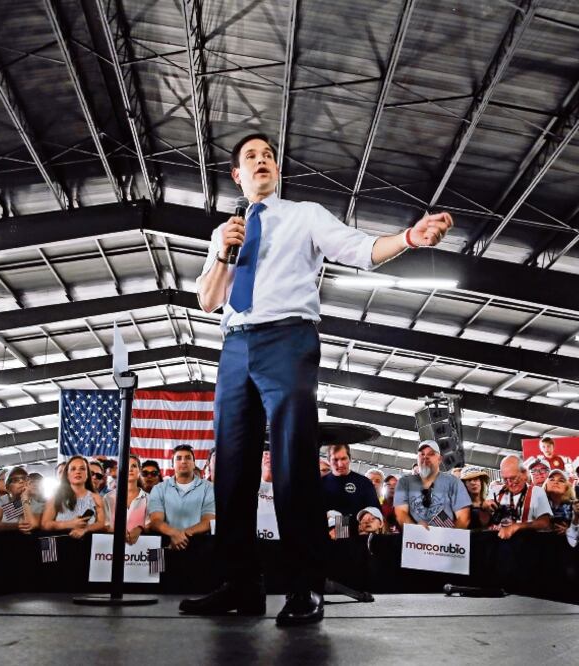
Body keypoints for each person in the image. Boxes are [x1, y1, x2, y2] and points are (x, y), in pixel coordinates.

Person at [180, 132, 453, 625]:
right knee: (234, 465)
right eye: (250, 158)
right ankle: (238, 583)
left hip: (287, 338)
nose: (261, 161)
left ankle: (304, 587)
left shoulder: (304, 214)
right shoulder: (227, 232)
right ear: (237, 177)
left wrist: (410, 237)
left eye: (268, 156)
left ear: (276, 171)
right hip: (235, 343)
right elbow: (207, 300)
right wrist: (223, 252)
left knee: (291, 462)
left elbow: (361, 249)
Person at [149, 445, 215, 550]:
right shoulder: (158, 489)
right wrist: (173, 533)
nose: (183, 461)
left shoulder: (209, 488)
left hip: (200, 548)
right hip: (168, 546)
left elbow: (208, 521)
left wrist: (180, 535)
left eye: (188, 458)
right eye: (178, 458)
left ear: (194, 464)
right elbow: (156, 521)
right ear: (172, 465)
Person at [395, 441, 471, 528]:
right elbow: (400, 513)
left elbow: (464, 516)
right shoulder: (404, 483)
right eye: (422, 454)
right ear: (417, 458)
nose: (425, 457)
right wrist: (415, 529)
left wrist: (449, 536)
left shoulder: (453, 483)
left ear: (439, 459)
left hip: (446, 538)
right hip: (414, 539)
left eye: (431, 454)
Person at [41, 455, 106, 539]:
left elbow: (101, 523)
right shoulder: (55, 497)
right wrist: (69, 524)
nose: (78, 472)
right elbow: (45, 524)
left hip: (87, 545)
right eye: (73, 469)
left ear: (87, 474)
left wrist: (86, 529)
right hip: (61, 545)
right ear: (67, 474)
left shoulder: (96, 497)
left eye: (82, 468)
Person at [491, 455, 552, 539]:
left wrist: (517, 526)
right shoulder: (497, 492)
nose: (509, 483)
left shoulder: (538, 492)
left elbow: (545, 522)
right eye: (505, 479)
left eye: (513, 478)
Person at [320, 444, 381, 523]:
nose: (340, 464)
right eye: (335, 459)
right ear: (328, 461)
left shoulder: (364, 483)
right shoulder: (320, 483)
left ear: (350, 458)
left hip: (357, 532)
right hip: (327, 532)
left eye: (343, 459)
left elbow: (376, 512)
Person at [104, 455, 149, 545]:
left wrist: (140, 529)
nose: (130, 469)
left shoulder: (149, 498)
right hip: (110, 548)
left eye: (134, 466)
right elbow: (105, 524)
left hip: (141, 551)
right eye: (126, 466)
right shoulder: (108, 497)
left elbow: (151, 523)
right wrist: (118, 531)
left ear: (139, 470)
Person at [0, 466, 40, 533]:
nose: (21, 481)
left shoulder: (37, 502)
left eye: (24, 479)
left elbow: (30, 525)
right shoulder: (2, 500)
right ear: (8, 487)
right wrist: (16, 526)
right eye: (15, 480)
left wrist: (25, 499)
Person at [544, 468, 575, 535]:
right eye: (552, 479)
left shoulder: (575, 506)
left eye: (561, 480)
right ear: (546, 485)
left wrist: (570, 531)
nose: (556, 482)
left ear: (567, 487)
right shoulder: (537, 504)